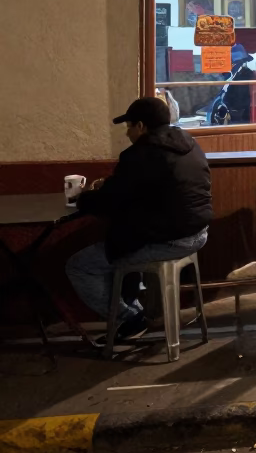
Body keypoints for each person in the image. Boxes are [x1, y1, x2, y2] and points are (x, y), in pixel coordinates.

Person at [66, 97, 212, 343]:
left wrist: (82, 198)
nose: (127, 133)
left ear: (141, 126)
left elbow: (109, 202)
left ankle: (130, 318)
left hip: (168, 241)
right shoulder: (189, 143)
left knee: (80, 265)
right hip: (198, 233)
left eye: (129, 126)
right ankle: (134, 312)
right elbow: (146, 188)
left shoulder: (140, 155)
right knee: (125, 242)